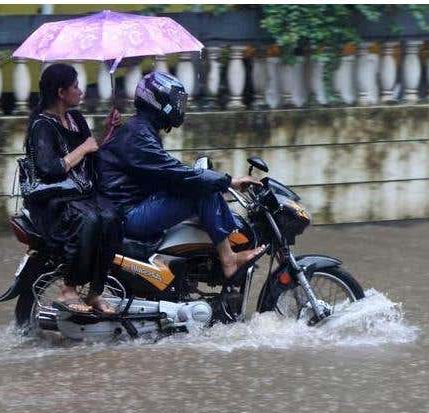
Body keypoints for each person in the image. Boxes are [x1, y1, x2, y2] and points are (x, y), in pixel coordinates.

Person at [97, 71, 267, 282]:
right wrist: (227, 181)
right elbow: (172, 171)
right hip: (128, 214)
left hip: (131, 205)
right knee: (200, 192)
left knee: (199, 187)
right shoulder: (137, 133)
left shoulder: (142, 129)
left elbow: (165, 173)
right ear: (158, 101)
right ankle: (228, 259)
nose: (179, 107)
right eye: (175, 101)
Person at [23, 63, 123, 314]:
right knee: (88, 220)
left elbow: (92, 152)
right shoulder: (42, 126)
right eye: (76, 86)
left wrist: (110, 130)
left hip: (80, 195)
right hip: (53, 202)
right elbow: (49, 169)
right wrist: (84, 148)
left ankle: (95, 292)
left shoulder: (76, 119)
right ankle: (68, 289)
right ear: (61, 92)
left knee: (112, 217)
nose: (81, 91)